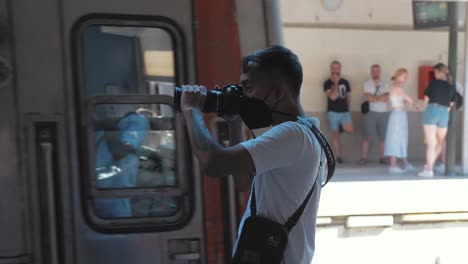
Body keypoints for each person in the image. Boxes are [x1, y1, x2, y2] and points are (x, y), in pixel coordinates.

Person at [180, 46, 326, 264]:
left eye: (248, 87)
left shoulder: (293, 135)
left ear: (278, 92)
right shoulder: (304, 132)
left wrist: (191, 110)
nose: (243, 96)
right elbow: (243, 181)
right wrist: (235, 122)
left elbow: (213, 163)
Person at [418, 63, 456, 178]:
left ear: (440, 73)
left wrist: (421, 107)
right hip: (444, 113)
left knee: (431, 144)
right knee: (440, 142)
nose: (434, 75)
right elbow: (451, 105)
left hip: (432, 110)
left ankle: (429, 170)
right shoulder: (451, 86)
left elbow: (425, 101)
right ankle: (429, 166)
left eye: (435, 73)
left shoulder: (433, 83)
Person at [384, 68, 418, 174]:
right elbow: (408, 99)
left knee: (402, 138)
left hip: (400, 114)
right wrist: (414, 104)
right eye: (404, 76)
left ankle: (405, 163)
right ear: (398, 76)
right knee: (395, 138)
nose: (405, 78)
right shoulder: (397, 88)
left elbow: (403, 101)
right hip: (398, 115)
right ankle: (393, 165)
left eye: (406, 76)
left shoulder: (396, 87)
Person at [359, 64, 390, 165]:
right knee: (366, 135)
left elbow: (386, 97)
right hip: (370, 112)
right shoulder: (367, 83)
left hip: (383, 113)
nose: (375, 73)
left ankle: (382, 158)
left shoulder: (385, 83)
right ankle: (364, 158)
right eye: (373, 71)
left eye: (377, 71)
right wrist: (379, 98)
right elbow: (369, 98)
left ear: (380, 72)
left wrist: (375, 98)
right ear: (371, 72)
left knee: (383, 137)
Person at [324, 61, 353, 163]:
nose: (336, 70)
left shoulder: (345, 82)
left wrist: (347, 106)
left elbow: (348, 96)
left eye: (337, 68)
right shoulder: (327, 83)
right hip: (333, 112)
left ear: (340, 69)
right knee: (335, 134)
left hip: (344, 111)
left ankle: (340, 127)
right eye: (334, 68)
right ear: (331, 69)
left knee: (349, 129)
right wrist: (336, 83)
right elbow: (332, 97)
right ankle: (338, 155)